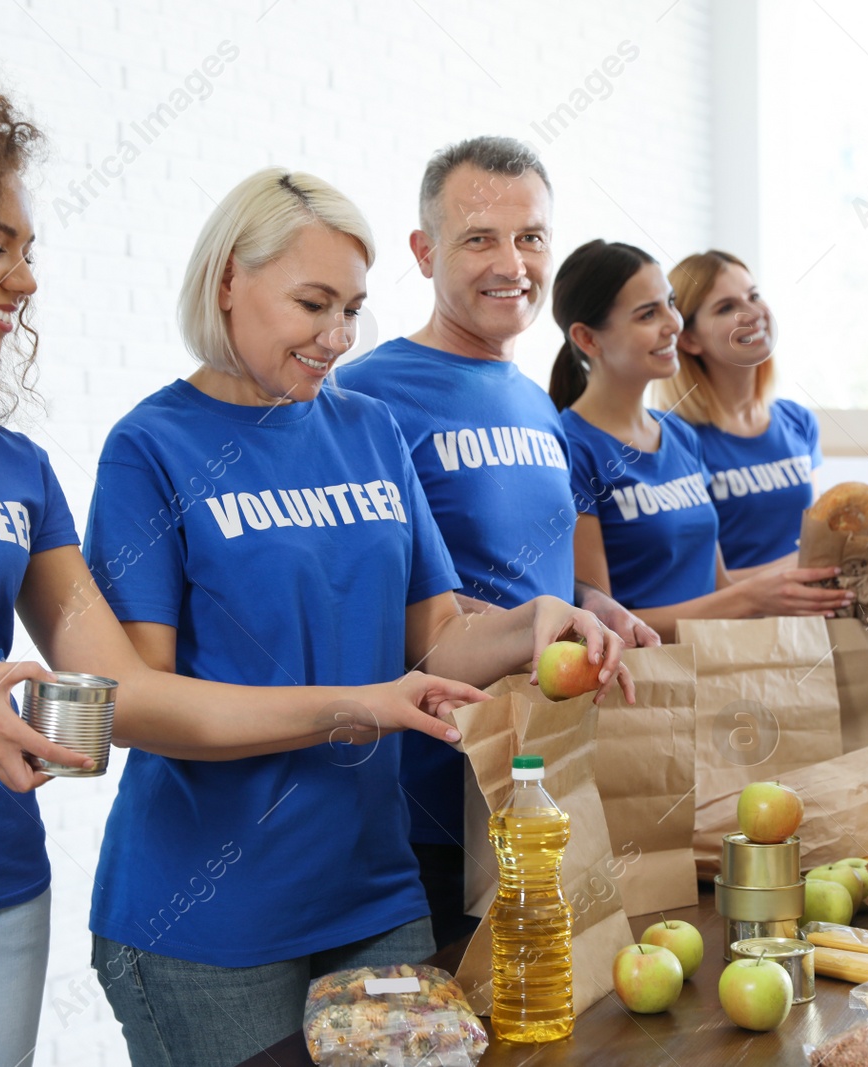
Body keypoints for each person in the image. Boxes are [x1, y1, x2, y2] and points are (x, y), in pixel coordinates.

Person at [0, 97, 488, 1067]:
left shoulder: (14, 468)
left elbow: (116, 692)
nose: (26, 276)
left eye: (28, 246)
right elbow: (112, 695)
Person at [83, 168, 629, 1063]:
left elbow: (439, 638)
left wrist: (537, 618)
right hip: (207, 917)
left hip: (374, 891)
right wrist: (363, 704)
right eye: (313, 304)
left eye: (353, 309)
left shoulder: (369, 429)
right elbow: (145, 706)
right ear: (227, 280)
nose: (337, 337)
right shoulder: (150, 447)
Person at [334, 136, 656, 947]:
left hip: (541, 786)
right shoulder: (364, 398)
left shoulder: (535, 402)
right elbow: (367, 593)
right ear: (424, 250)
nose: (511, 262)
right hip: (430, 806)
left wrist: (594, 604)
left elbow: (527, 569)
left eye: (532, 237)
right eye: (479, 238)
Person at [548, 239, 851, 641]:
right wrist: (752, 599)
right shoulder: (572, 449)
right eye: (647, 314)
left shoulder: (680, 436)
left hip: (711, 669)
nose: (673, 323)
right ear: (588, 339)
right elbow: (603, 625)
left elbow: (718, 585)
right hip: (641, 687)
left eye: (670, 303)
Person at [652, 250, 825, 578]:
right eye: (727, 307)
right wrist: (803, 569)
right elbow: (695, 580)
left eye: (754, 296)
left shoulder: (799, 422)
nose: (753, 313)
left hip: (808, 623)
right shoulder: (675, 440)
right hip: (729, 626)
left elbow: (816, 539)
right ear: (688, 339)